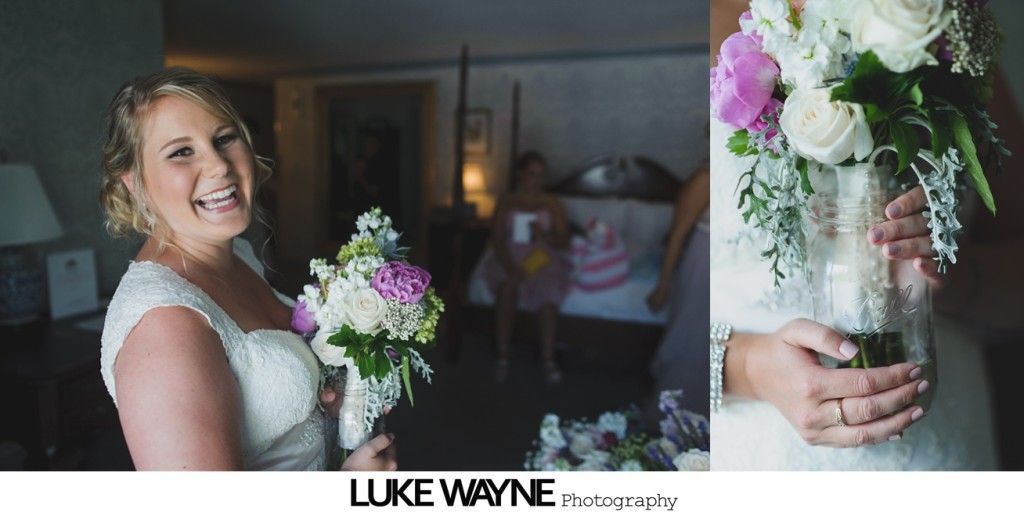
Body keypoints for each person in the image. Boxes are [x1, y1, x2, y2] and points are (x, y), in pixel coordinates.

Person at [98, 68, 397, 470]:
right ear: (135, 184)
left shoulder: (238, 254)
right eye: (181, 152)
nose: (220, 166)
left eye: (224, 139)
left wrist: (322, 398)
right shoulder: (164, 325)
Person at [481, 151, 572, 384]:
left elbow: (564, 240)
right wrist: (510, 266)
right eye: (532, 175)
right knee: (507, 287)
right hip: (512, 253)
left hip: (541, 255)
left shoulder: (551, 203)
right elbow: (498, 239)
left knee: (548, 294)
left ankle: (548, 359)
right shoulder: (507, 201)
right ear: (521, 175)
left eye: (541, 176)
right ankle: (502, 356)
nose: (536, 181)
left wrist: (545, 236)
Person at [646, 163, 710, 416]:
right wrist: (663, 285)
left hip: (731, 268)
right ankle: (673, 419)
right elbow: (676, 235)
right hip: (703, 264)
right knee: (693, 339)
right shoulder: (705, 177)